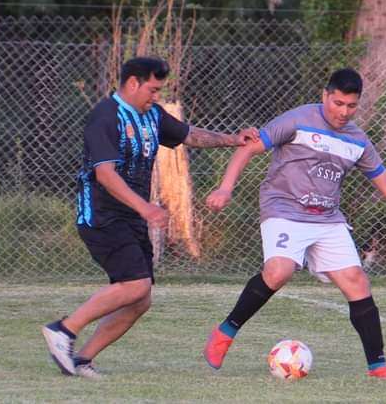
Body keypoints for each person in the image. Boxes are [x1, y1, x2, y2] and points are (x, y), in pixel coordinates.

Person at [203, 68, 386, 380]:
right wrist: (225, 187)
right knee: (279, 270)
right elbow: (248, 147)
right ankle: (225, 332)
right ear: (325, 96)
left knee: (356, 280)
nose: (343, 112)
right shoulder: (297, 119)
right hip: (284, 207)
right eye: (338, 103)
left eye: (351, 106)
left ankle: (377, 366)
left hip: (327, 217)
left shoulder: (357, 140)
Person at [42, 56, 258, 379]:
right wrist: (146, 208)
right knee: (135, 284)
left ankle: (82, 359)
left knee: (140, 299)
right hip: (101, 215)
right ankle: (64, 329)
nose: (156, 96)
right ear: (133, 83)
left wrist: (231, 139)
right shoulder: (105, 117)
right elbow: (105, 175)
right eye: (153, 89)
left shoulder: (152, 115)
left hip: (131, 219)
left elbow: (189, 135)